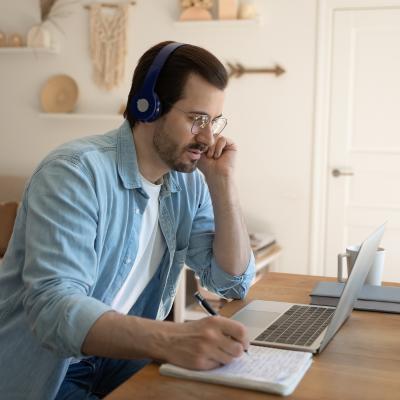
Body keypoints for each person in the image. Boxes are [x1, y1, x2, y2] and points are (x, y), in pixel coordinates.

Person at [0, 41, 255, 399]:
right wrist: (171, 338)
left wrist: (223, 182)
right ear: (147, 107)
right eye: (197, 119)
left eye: (214, 122)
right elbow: (54, 309)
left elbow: (231, 280)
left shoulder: (188, 182)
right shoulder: (74, 173)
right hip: (51, 368)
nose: (209, 138)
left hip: (118, 356)